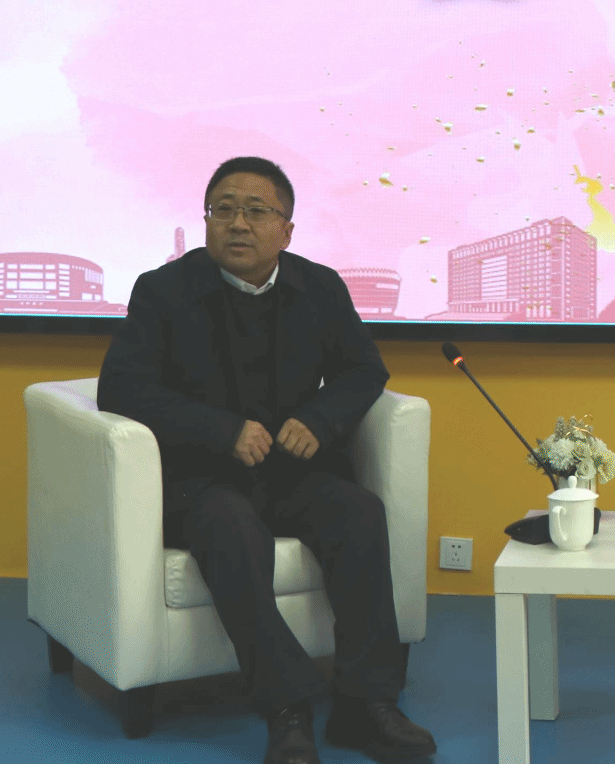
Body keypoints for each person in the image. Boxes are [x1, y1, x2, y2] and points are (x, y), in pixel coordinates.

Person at [98, 157, 436, 764]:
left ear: (286, 229)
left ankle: (366, 704)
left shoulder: (320, 287)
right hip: (202, 479)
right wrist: (221, 431)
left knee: (359, 513)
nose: (238, 224)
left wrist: (321, 419)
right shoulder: (163, 290)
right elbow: (122, 388)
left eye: (256, 211)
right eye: (223, 209)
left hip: (291, 471)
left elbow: (364, 370)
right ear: (206, 221)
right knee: (231, 529)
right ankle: (287, 709)